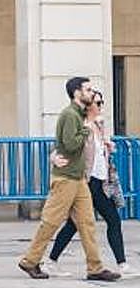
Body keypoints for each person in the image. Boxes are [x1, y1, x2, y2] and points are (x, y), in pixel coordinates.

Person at [19, 76, 120, 282]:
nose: (91, 93)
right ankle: (30, 260)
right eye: (88, 89)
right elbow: (70, 144)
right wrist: (87, 126)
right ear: (77, 93)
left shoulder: (80, 114)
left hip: (79, 179)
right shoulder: (70, 115)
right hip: (66, 179)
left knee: (87, 223)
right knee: (51, 221)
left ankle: (95, 267)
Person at [45, 89, 130, 276]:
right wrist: (53, 157)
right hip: (86, 181)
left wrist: (108, 147)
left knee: (108, 220)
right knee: (79, 223)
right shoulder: (82, 124)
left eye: (102, 103)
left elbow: (98, 154)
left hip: (100, 182)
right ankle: (52, 261)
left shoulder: (99, 126)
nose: (100, 107)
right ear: (89, 106)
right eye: (97, 103)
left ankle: (121, 263)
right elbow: (64, 146)